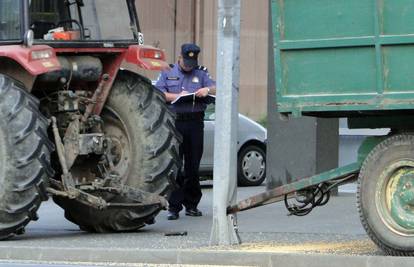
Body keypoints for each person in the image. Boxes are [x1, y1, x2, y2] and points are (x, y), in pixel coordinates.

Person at [155, 43, 216, 220]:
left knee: (193, 168)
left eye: (192, 63)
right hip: (175, 124)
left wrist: (207, 90)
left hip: (195, 124)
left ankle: (192, 205)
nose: (189, 66)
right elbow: (159, 93)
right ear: (179, 58)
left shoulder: (201, 72)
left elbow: (216, 88)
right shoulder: (168, 72)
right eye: (186, 62)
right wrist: (179, 96)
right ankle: (174, 207)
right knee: (175, 167)